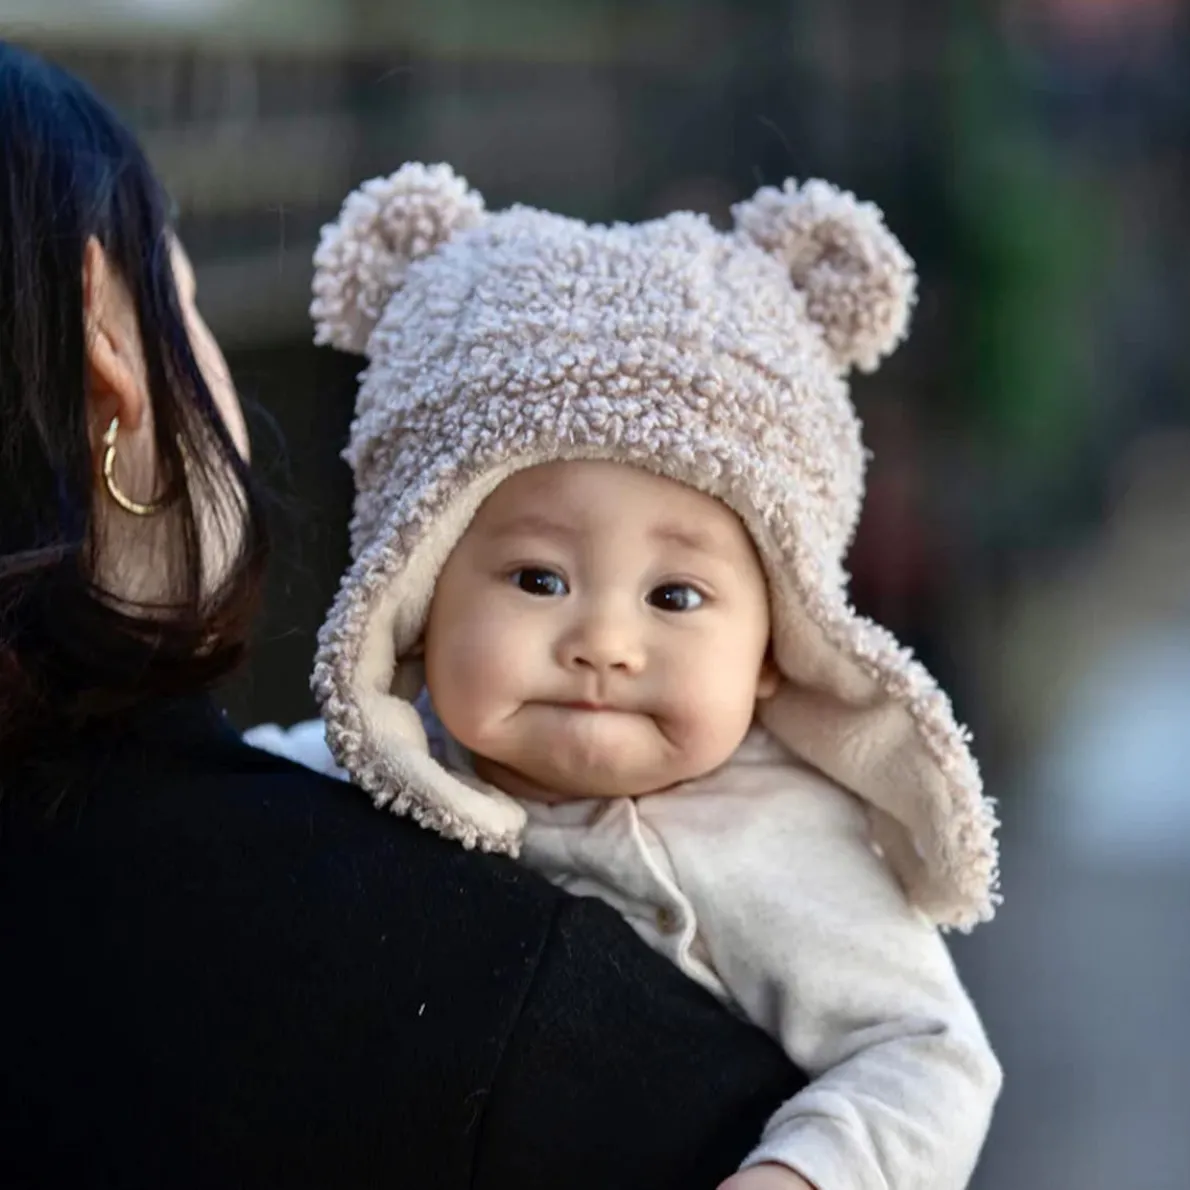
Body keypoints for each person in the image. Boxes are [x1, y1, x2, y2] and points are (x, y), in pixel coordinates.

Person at [0, 42, 811, 1190]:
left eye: (675, 593)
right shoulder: (504, 1009)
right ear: (111, 349)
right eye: (184, 301)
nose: (603, 640)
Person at [258, 163, 1005, 1190]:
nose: (604, 641)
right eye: (538, 578)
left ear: (776, 646)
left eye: (675, 595)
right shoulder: (328, 786)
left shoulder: (786, 840)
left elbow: (927, 1053)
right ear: (416, 596)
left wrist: (799, 1174)